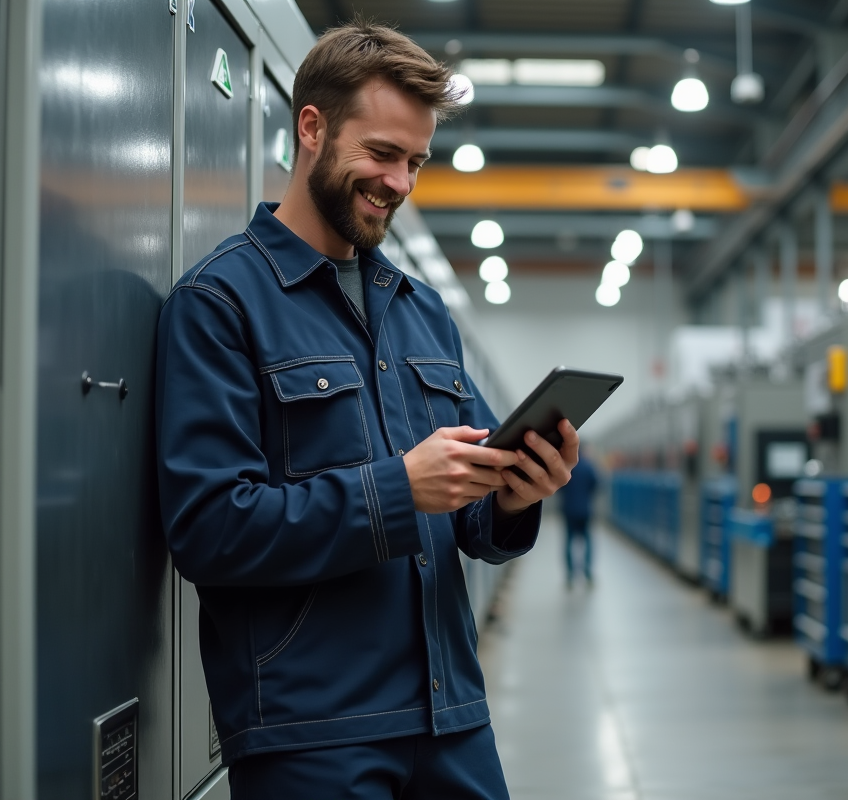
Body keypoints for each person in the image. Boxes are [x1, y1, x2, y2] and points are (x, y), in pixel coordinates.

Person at [154, 19, 578, 799]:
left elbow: (473, 522)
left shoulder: (421, 313)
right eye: (383, 154)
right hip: (313, 735)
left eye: (416, 161)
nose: (402, 183)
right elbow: (209, 530)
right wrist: (395, 489)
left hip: (453, 718)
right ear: (311, 128)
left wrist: (514, 494)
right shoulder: (220, 304)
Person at [559, 447, 599, 586]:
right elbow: (595, 484)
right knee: (587, 540)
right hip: (585, 510)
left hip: (569, 510)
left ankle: (570, 574)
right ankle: (587, 571)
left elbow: (559, 486)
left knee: (569, 541)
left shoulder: (567, 467)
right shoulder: (588, 466)